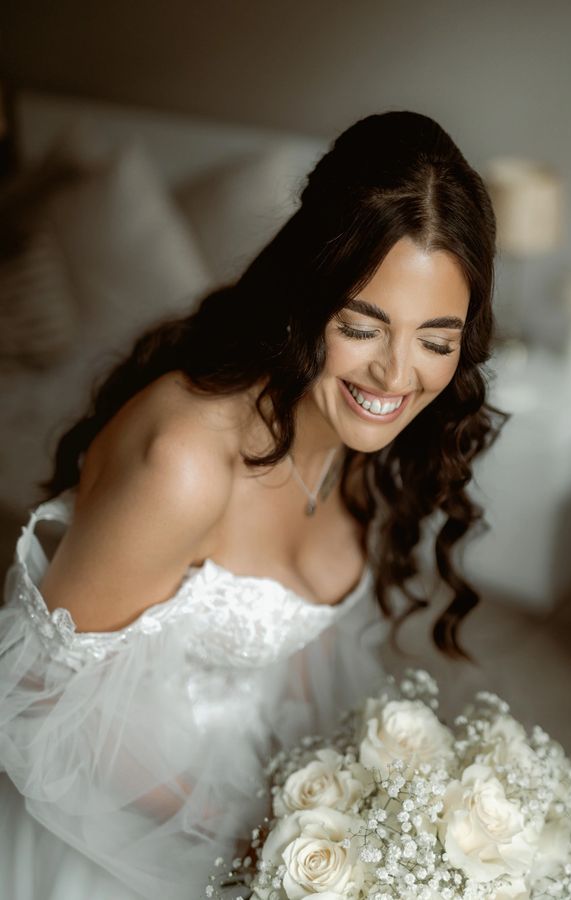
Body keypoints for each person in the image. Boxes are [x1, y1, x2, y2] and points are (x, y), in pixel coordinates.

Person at [0, 111, 502, 899]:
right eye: (363, 328)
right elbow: (39, 695)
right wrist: (242, 825)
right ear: (308, 297)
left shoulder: (368, 441)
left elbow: (296, 651)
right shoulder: (187, 462)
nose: (395, 377)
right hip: (114, 815)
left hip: (257, 785)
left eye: (436, 341)